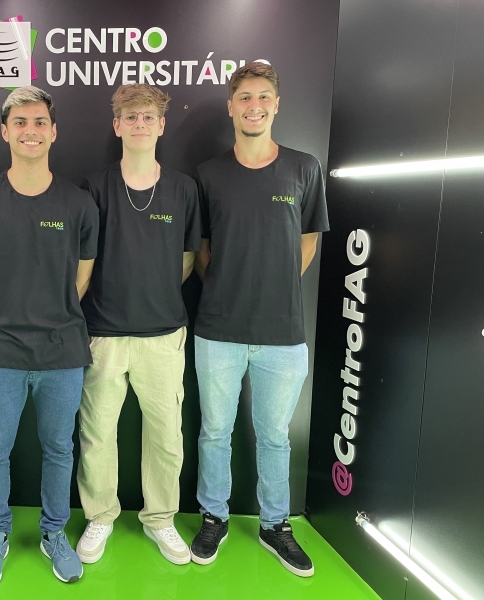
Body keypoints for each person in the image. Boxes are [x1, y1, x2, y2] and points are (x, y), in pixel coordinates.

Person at [191, 62, 329, 577]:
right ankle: (214, 518)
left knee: (274, 436)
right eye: (244, 97)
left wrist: (274, 286)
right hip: (218, 330)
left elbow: (308, 240)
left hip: (283, 334)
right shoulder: (208, 174)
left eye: (263, 96)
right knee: (214, 433)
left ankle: (275, 526)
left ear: (276, 104)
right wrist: (231, 286)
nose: (254, 105)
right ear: (231, 106)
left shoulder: (304, 167)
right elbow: (202, 250)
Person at [0, 86, 98, 590]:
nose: (30, 131)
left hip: (62, 352)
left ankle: (53, 533)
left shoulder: (79, 203)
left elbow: (82, 276)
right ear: (5, 131)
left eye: (39, 122)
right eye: (19, 122)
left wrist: (50, 316)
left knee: (59, 449)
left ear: (54, 131)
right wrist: (7, 320)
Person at [75, 84, 200, 566]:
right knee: (97, 435)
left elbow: (186, 260)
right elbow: (82, 260)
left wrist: (154, 296)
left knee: (166, 436)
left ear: (161, 125)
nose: (140, 124)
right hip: (102, 333)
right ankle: (100, 516)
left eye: (148, 116)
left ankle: (161, 519)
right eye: (131, 116)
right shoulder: (94, 186)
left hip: (163, 334)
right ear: (117, 125)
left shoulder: (184, 189)